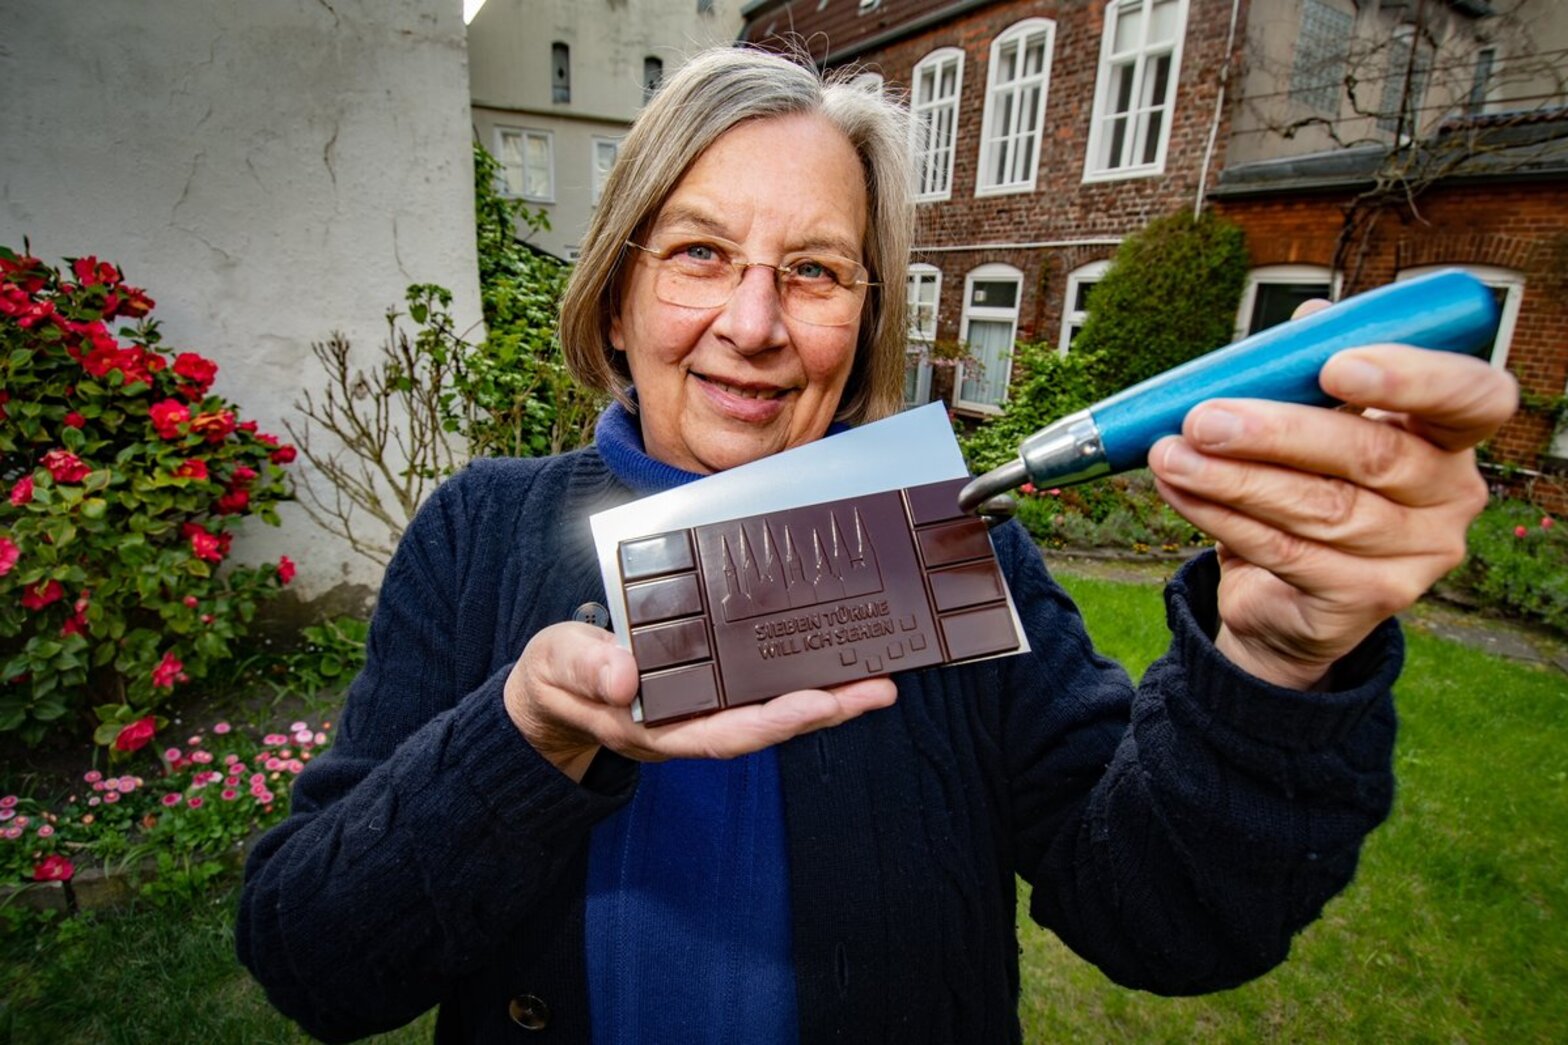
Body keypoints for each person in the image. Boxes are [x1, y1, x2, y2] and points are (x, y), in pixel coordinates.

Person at [237, 47, 1517, 1043]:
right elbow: (313, 959)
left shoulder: (947, 544)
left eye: (812, 271)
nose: (753, 322)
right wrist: (526, 731)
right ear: (617, 295)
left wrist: (1275, 669)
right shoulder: (477, 532)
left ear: (865, 317)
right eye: (698, 254)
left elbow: (1167, 923)